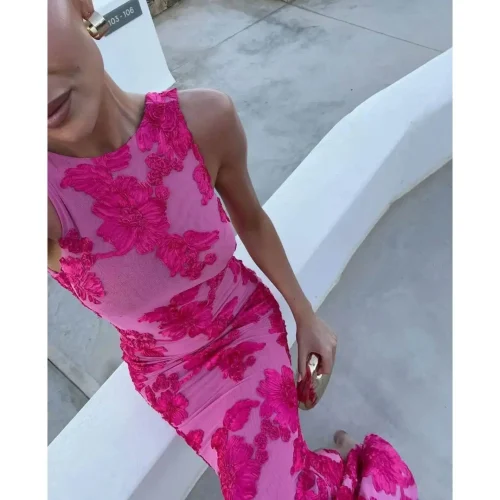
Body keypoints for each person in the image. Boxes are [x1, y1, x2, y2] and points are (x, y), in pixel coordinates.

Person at [48, 1, 417, 498]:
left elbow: (252, 220)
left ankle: (345, 470)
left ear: (79, 5)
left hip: (244, 330)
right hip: (171, 376)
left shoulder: (204, 120)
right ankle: (333, 470)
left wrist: (305, 315)